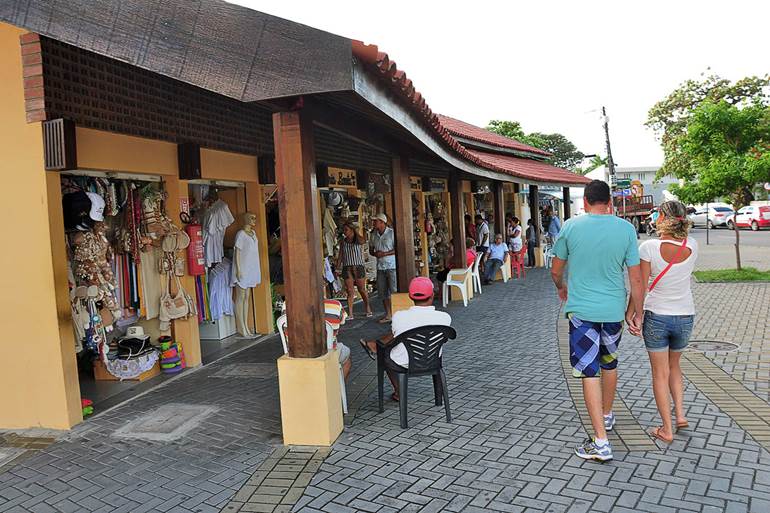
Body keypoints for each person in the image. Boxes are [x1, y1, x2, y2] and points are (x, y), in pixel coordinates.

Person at [550, 180, 645, 462]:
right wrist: (636, 312)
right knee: (609, 361)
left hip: (582, 313)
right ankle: (607, 414)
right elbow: (637, 278)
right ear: (610, 202)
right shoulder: (626, 229)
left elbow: (556, 270)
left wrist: (561, 287)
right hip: (614, 309)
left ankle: (600, 442)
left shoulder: (571, 227)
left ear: (585, 202)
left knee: (588, 370)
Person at [628, 200, 698, 444]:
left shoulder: (648, 247)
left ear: (662, 219)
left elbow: (640, 285)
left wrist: (634, 313)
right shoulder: (693, 245)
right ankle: (680, 415)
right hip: (685, 315)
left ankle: (666, 429)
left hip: (657, 316)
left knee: (660, 373)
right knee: (675, 367)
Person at [359, 277, 451, 400]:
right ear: (432, 295)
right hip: (432, 360)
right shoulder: (445, 318)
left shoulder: (399, 317)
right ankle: (375, 345)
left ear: (410, 297)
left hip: (402, 363)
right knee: (399, 336)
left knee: (385, 353)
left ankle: (399, 391)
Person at [336, 223, 373, 319]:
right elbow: (340, 255)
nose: (345, 232)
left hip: (358, 267)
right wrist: (337, 267)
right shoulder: (343, 242)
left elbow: (363, 241)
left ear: (351, 230)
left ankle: (368, 308)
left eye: (346, 230)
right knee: (350, 291)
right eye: (344, 230)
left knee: (362, 289)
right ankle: (351, 313)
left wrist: (355, 232)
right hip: (347, 267)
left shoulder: (358, 240)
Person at [369, 213, 397, 323]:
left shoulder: (391, 233)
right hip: (380, 267)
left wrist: (385, 254)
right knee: (383, 292)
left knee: (394, 291)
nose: (373, 223)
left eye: (375, 221)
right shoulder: (373, 235)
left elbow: (397, 249)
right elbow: (371, 249)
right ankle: (388, 314)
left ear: (382, 222)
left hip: (392, 266)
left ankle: (396, 314)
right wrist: (375, 254)